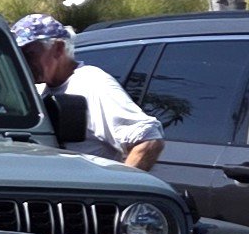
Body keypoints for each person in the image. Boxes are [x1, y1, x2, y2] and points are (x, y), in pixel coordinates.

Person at [12, 13, 162, 170]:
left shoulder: (92, 83)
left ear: (58, 49)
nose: (24, 62)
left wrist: (120, 189)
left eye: (29, 54)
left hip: (88, 189)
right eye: (19, 55)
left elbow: (149, 140)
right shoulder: (41, 89)